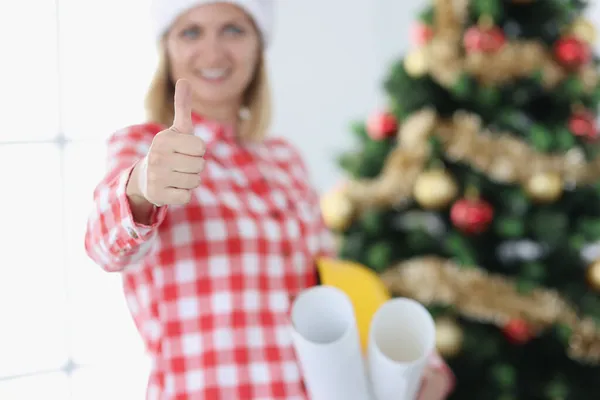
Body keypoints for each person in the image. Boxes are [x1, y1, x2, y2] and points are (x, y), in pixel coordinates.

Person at [84, 1, 455, 398]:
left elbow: (333, 286)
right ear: (167, 48)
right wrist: (142, 184)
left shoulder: (285, 159)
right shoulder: (141, 147)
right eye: (190, 31)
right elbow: (104, 246)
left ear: (259, 46)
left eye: (233, 30)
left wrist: (422, 365)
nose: (212, 52)